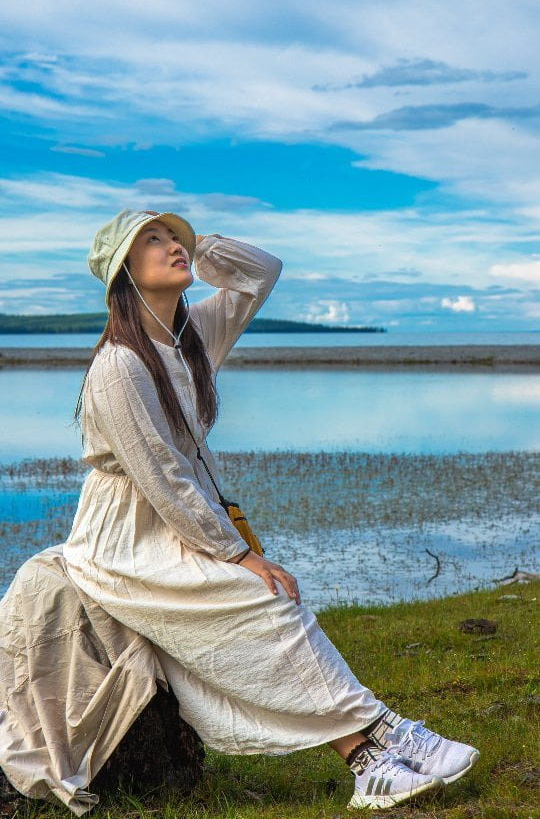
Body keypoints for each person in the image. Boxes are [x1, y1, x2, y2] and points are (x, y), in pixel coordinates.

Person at [0, 209, 480, 813]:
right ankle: (384, 739)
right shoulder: (118, 365)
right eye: (153, 240)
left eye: (174, 236)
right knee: (260, 597)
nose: (172, 246)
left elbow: (261, 273)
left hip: (173, 522)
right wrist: (237, 554)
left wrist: (198, 245)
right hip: (121, 539)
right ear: (124, 271)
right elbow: (163, 477)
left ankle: (374, 756)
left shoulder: (190, 337)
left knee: (264, 601)